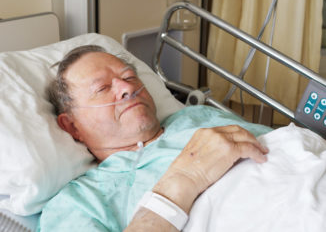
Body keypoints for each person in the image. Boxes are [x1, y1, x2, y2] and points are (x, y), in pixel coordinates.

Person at [39, 45, 271, 231]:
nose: (125, 88)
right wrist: (185, 180)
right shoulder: (79, 203)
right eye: (102, 88)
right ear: (72, 126)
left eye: (129, 77)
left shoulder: (197, 115)